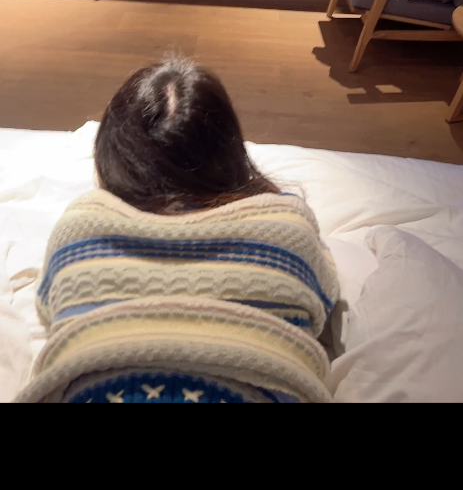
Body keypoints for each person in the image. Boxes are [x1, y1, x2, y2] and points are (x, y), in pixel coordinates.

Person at [16, 56, 339, 404]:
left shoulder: (78, 228)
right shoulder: (286, 228)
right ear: (229, 154)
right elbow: (322, 302)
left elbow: (50, 304)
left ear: (110, 155)